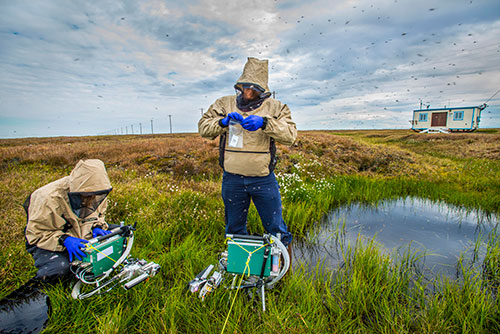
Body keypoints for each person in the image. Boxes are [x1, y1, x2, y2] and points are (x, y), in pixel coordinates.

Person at [198, 57, 297, 255]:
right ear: (240, 86)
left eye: (254, 89)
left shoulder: (276, 107)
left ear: (263, 90)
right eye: (246, 87)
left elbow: (290, 136)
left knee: (277, 231)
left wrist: (265, 123)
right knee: (234, 231)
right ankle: (240, 271)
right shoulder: (224, 103)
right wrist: (223, 122)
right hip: (232, 180)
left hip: (263, 180)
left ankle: (283, 274)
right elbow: (203, 128)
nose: (249, 93)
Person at [24, 159, 113, 282]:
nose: (91, 200)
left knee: (121, 234)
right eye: (86, 197)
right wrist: (64, 240)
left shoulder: (98, 191)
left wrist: (97, 226)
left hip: (83, 232)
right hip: (48, 239)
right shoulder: (47, 198)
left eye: (94, 196)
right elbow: (36, 234)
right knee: (59, 269)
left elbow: (100, 214)